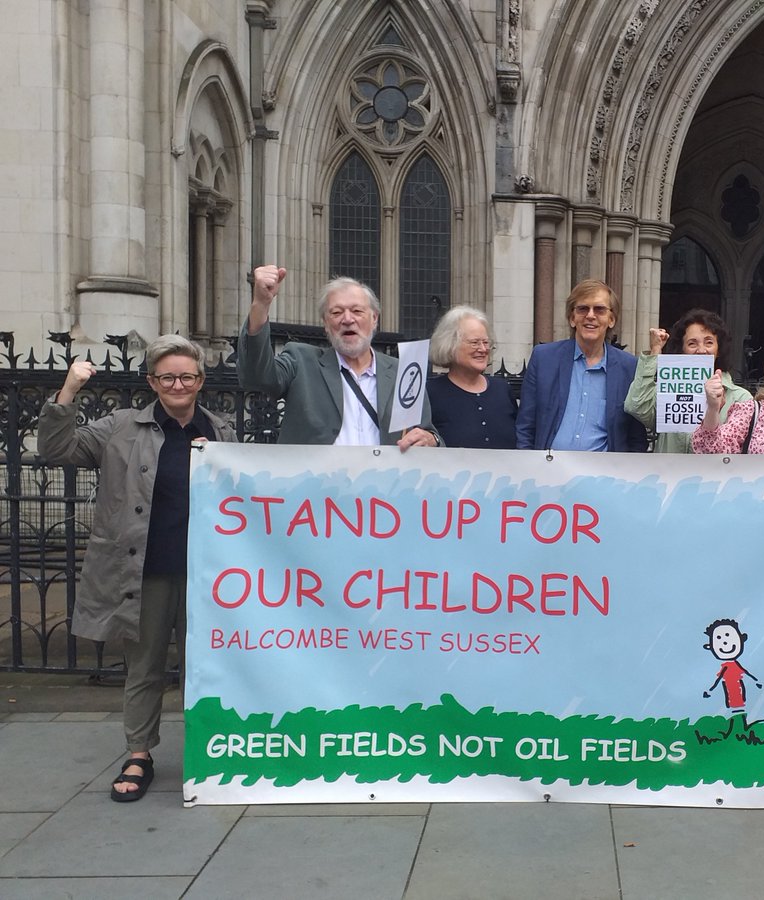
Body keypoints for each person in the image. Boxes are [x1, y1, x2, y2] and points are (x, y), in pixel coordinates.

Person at [37, 336, 236, 802]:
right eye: (167, 377)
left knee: (204, 668)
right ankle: (139, 753)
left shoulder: (221, 430)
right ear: (152, 382)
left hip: (206, 572)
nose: (178, 384)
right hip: (143, 570)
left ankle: (205, 751)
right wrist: (68, 390)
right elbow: (56, 448)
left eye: (187, 376)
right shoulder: (120, 427)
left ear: (201, 382)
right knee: (144, 666)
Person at [238, 265, 439, 448]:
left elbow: (428, 434)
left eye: (357, 311)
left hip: (384, 485)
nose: (347, 319)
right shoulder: (302, 361)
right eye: (336, 312)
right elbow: (255, 377)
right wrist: (261, 305)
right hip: (318, 485)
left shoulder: (403, 372)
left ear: (374, 319)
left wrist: (431, 440)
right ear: (326, 323)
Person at [515, 279, 648, 452]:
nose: (590, 315)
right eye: (583, 309)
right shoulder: (544, 359)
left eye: (599, 309)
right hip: (549, 472)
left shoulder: (628, 368)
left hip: (604, 475)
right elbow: (525, 425)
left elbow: (636, 437)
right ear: (572, 318)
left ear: (611, 319)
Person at [623, 309, 751, 453]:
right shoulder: (667, 389)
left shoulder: (741, 398)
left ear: (719, 349)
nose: (701, 350)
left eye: (709, 342)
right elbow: (636, 406)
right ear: (682, 349)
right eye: (692, 344)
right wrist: (655, 351)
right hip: (668, 474)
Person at [426, 307, 517, 448]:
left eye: (486, 342)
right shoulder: (430, 393)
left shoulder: (502, 389)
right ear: (450, 345)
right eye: (474, 342)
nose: (482, 349)